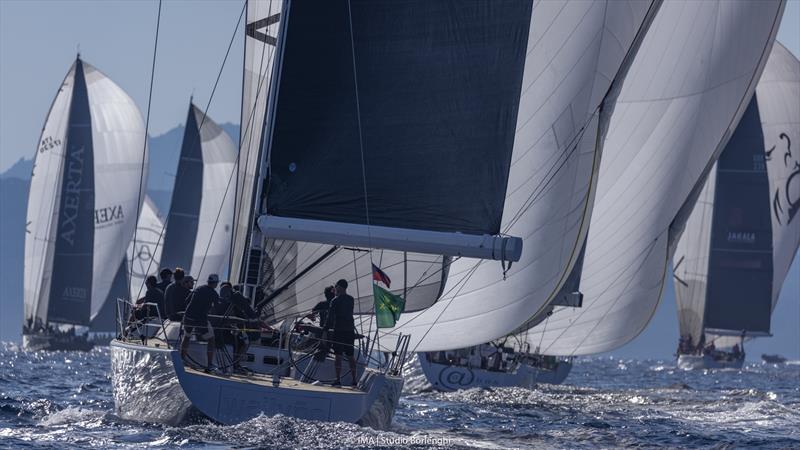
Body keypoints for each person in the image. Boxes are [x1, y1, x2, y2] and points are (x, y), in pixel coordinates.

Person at [180, 274, 220, 372]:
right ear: (215, 284)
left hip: (188, 316)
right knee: (211, 339)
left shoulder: (199, 288)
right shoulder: (214, 293)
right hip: (200, 319)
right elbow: (217, 309)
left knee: (187, 336)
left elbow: (187, 301)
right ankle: (209, 364)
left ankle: (181, 359)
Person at [325, 279, 358, 387]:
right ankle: (354, 380)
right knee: (350, 356)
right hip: (350, 330)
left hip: (339, 330)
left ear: (340, 287)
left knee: (338, 355)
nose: (335, 288)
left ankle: (338, 380)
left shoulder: (335, 300)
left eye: (336, 286)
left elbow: (330, 317)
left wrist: (325, 327)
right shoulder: (351, 299)